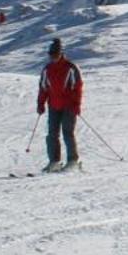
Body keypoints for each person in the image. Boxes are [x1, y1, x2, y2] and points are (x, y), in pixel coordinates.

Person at [38, 38, 84, 171]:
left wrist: (76, 105)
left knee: (67, 132)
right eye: (51, 55)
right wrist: (41, 104)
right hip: (53, 105)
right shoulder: (47, 69)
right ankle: (54, 162)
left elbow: (78, 87)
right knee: (52, 134)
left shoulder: (71, 67)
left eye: (56, 54)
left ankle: (73, 161)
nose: (53, 57)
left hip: (69, 106)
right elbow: (43, 88)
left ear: (61, 53)